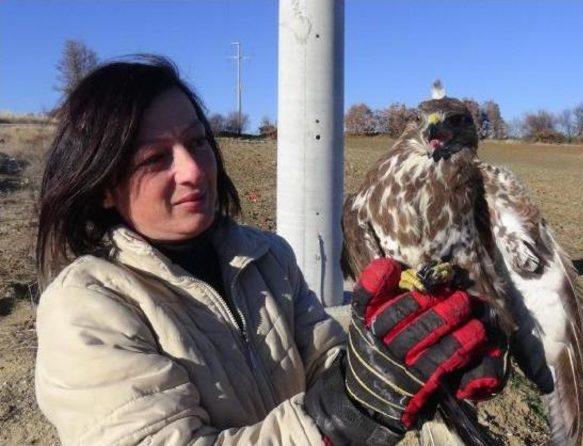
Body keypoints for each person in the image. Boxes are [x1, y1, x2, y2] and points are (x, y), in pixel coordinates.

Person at [35, 56, 505, 446]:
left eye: (198, 142)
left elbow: (325, 358)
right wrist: (340, 419)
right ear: (102, 187)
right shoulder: (86, 307)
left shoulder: (265, 257)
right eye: (155, 158)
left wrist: (393, 358)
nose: (194, 170)